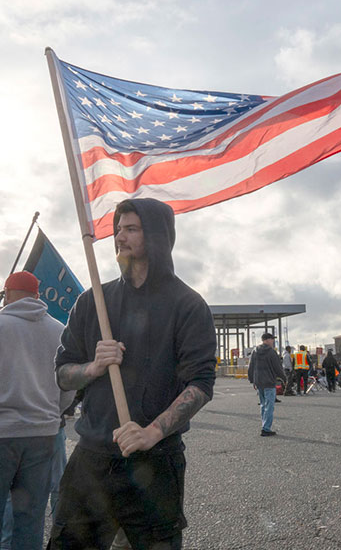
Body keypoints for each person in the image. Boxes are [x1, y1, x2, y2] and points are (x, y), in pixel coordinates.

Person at [49, 198, 217, 550]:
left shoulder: (187, 305)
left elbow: (200, 384)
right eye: (117, 229)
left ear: (155, 236)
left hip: (155, 465)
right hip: (93, 459)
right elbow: (63, 374)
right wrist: (93, 368)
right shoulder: (93, 301)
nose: (119, 237)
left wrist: (152, 432)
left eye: (131, 229)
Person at [0, 271, 74, 550]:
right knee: (30, 521)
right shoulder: (59, 330)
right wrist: (53, 412)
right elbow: (68, 384)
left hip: (2, 434)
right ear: (38, 296)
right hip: (43, 435)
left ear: (7, 294)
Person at [248, 332, 283, 436]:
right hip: (269, 382)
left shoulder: (255, 351)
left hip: (259, 382)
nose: (273, 341)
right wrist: (284, 378)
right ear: (266, 340)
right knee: (270, 406)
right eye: (272, 339)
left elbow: (251, 366)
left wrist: (252, 380)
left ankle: (264, 425)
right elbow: (278, 367)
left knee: (263, 405)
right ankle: (266, 428)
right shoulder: (271, 352)